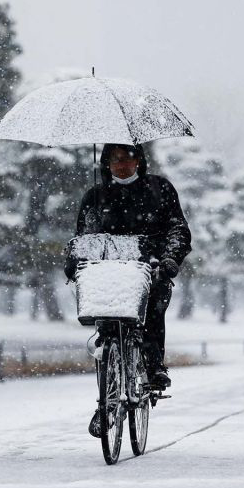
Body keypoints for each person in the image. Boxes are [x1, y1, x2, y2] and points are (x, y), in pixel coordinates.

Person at [66, 143, 192, 388]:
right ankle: (107, 397)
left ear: (139, 161)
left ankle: (154, 364)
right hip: (107, 274)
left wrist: (170, 259)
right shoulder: (95, 196)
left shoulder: (160, 189)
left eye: (127, 158)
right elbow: (85, 238)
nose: (122, 165)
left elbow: (178, 229)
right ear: (106, 163)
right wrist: (74, 262)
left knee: (152, 314)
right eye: (116, 159)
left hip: (150, 270)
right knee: (105, 322)